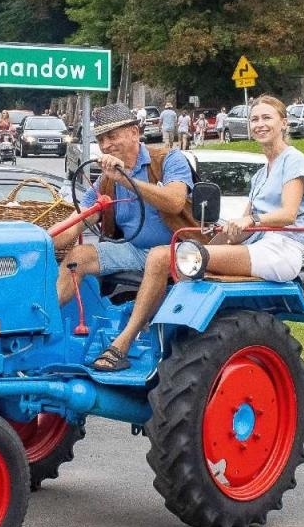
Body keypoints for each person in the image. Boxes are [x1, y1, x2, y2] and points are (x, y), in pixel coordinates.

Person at [88, 95, 304, 372]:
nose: (259, 124)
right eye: (254, 119)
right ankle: (165, 339)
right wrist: (215, 237)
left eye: (267, 118)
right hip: (257, 246)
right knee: (182, 257)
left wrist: (249, 220)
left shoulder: (294, 160)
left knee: (165, 256)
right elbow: (241, 233)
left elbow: (288, 214)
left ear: (284, 122)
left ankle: (122, 344)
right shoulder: (261, 174)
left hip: (280, 249)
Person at [54, 103, 201, 370]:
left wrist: (126, 179)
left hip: (180, 252)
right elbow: (81, 219)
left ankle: (122, 344)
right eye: (100, 140)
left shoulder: (169, 160)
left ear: (134, 133)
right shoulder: (106, 180)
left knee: (158, 256)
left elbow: (175, 202)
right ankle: (45, 327)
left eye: (112, 137)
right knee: (78, 257)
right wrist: (40, 241)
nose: (106, 145)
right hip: (134, 251)